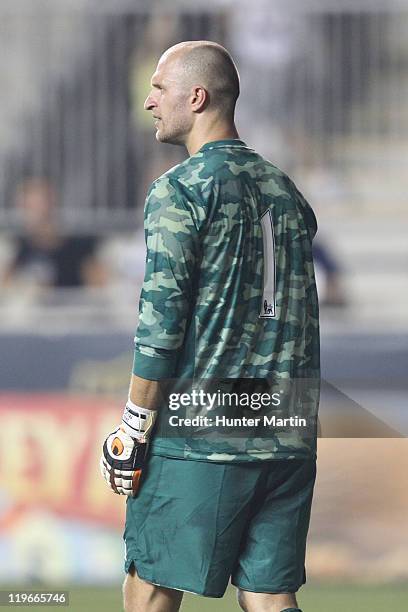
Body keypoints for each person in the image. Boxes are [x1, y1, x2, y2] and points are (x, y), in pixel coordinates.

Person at [100, 41, 320, 612]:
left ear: (196, 98)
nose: (148, 101)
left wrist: (134, 426)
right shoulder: (287, 193)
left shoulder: (180, 190)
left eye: (157, 88)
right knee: (270, 597)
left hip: (205, 423)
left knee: (149, 589)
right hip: (285, 421)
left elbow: (160, 323)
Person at [3, 178, 107, 290]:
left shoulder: (79, 244)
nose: (35, 211)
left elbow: (99, 287)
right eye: (27, 205)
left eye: (39, 203)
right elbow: (5, 285)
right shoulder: (19, 246)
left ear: (52, 203)